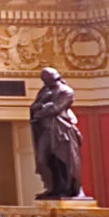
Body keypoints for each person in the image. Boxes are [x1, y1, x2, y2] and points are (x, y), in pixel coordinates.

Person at [30, 67, 85, 201]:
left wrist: (41, 108)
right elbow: (33, 107)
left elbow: (56, 108)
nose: (45, 83)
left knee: (63, 161)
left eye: (47, 80)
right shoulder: (44, 91)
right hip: (46, 130)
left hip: (61, 131)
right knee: (43, 160)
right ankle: (52, 187)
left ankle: (67, 189)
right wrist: (42, 108)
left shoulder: (66, 91)